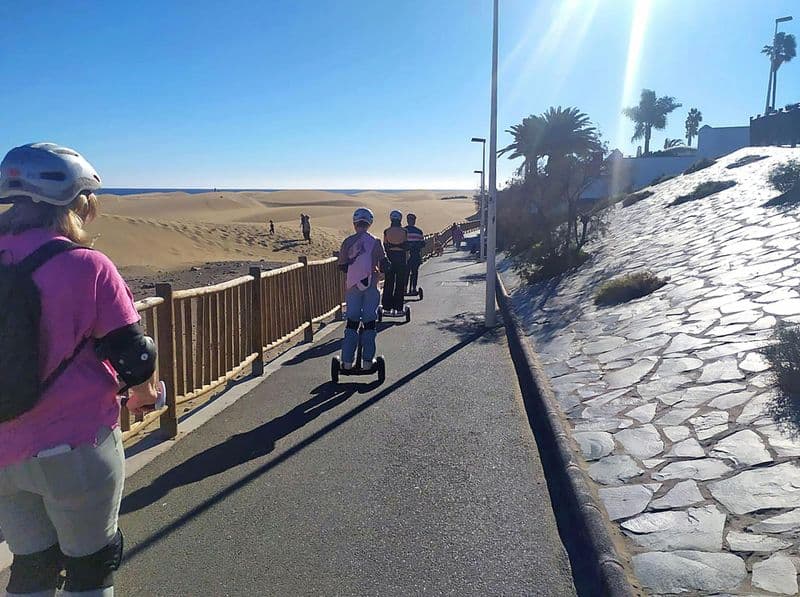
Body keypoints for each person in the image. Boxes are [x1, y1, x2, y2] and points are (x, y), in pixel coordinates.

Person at [0, 143, 160, 597]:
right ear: (76, 203)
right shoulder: (86, 265)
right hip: (75, 448)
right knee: (90, 566)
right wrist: (144, 395)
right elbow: (135, 356)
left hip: (2, 453)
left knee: (31, 568)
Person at [337, 208, 386, 370]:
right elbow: (385, 262)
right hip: (371, 285)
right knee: (369, 322)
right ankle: (367, 361)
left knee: (352, 322)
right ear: (370, 223)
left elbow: (342, 265)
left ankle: (347, 362)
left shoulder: (348, 241)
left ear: (354, 223)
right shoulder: (375, 241)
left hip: (352, 286)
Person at [382, 209, 409, 315]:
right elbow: (406, 245)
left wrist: (392, 246)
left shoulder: (386, 231)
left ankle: (387, 307)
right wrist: (399, 246)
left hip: (390, 258)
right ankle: (398, 308)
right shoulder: (404, 231)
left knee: (389, 282)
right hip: (401, 259)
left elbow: (385, 245)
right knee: (400, 283)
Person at [404, 213, 424, 294]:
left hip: (406, 255)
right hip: (415, 255)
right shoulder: (419, 231)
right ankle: (413, 289)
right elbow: (423, 244)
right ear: (414, 221)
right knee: (414, 272)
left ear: (407, 220)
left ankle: (404, 289)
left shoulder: (403, 231)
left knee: (406, 272)